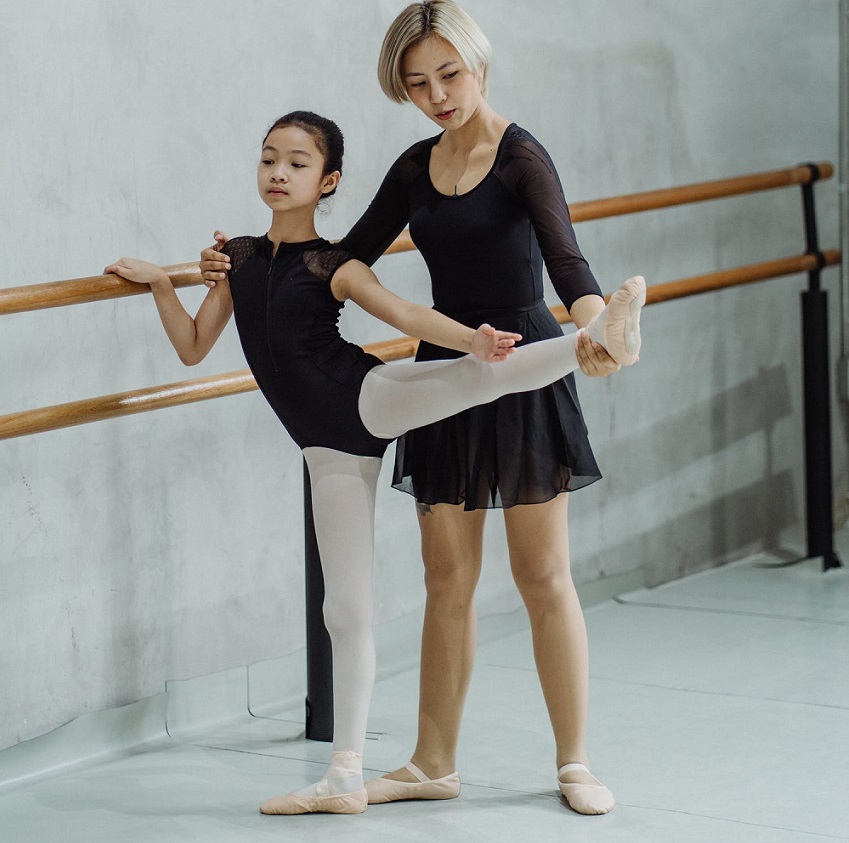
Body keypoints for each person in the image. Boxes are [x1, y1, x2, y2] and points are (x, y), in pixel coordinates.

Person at [192, 108, 643, 816]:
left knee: (541, 572)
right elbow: (342, 255)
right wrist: (231, 260)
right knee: (446, 576)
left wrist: (595, 328)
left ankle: (573, 760)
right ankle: (432, 762)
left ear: (476, 66)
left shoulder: (520, 155)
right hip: (449, 352)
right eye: (417, 81)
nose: (435, 93)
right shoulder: (413, 166)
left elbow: (565, 258)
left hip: (520, 347)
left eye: (448, 74)